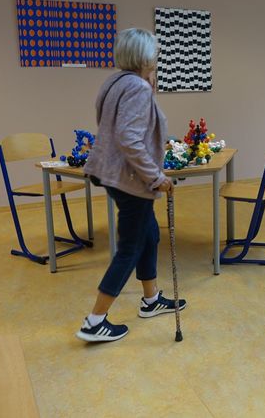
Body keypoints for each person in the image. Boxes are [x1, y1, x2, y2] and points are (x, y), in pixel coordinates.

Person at [77, 28, 186, 342]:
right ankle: (94, 322)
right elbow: (129, 138)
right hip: (131, 179)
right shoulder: (137, 87)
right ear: (145, 56)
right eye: (155, 52)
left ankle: (151, 300)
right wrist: (156, 177)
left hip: (112, 173)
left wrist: (149, 86)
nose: (158, 57)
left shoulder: (116, 82)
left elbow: (114, 127)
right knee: (131, 247)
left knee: (149, 234)